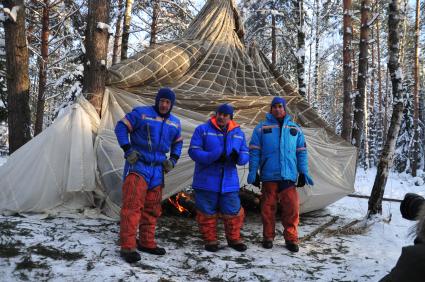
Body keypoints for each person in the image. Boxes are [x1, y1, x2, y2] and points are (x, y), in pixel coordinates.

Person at [114, 88, 183, 263]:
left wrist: (173, 160)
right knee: (132, 206)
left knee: (152, 209)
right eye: (162, 101)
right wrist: (127, 149)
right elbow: (121, 127)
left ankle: (146, 242)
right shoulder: (141, 114)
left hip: (158, 170)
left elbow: (178, 143)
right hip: (139, 166)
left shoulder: (175, 123)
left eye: (168, 102)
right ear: (157, 100)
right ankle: (128, 246)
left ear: (171, 104)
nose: (164, 104)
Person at [247, 97, 313, 253]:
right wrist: (253, 171)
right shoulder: (261, 128)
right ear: (271, 109)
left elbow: (301, 152)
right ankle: (268, 237)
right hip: (269, 175)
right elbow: (254, 151)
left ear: (284, 108)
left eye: (280, 106)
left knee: (292, 208)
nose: (277, 109)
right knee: (268, 208)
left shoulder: (294, 128)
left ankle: (291, 238)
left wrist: (303, 172)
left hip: (288, 176)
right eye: (274, 107)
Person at [188, 104, 249, 252]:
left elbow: (245, 153)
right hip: (206, 181)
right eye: (219, 114)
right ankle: (210, 240)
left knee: (233, 211)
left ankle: (234, 239)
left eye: (225, 115)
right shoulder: (202, 130)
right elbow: (193, 151)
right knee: (207, 212)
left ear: (230, 117)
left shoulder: (239, 133)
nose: (221, 117)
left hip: (229, 181)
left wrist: (239, 158)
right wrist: (213, 155)